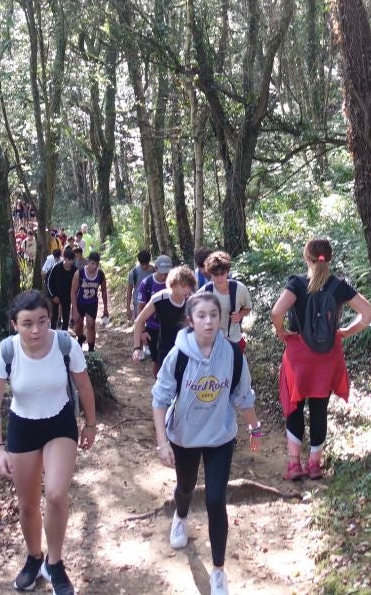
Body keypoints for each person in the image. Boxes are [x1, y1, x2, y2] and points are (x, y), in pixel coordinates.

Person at [0, 291, 97, 595]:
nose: (36, 330)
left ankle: (55, 562)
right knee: (28, 504)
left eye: (42, 321)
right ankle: (34, 557)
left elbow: (84, 385)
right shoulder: (6, 352)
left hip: (59, 423)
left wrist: (90, 424)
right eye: (27, 323)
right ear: (14, 325)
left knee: (57, 495)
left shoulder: (64, 344)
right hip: (23, 427)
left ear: (50, 319)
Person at [152, 292, 262, 595]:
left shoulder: (233, 355)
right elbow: (160, 399)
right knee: (185, 488)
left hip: (219, 436)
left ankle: (218, 571)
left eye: (214, 315)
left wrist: (255, 428)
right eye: (201, 316)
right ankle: (181, 516)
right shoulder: (179, 355)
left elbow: (243, 396)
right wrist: (162, 443)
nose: (209, 321)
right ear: (190, 320)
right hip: (184, 437)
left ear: (222, 318)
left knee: (215, 501)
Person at [270, 237, 371, 481]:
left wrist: (281, 332)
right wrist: (347, 331)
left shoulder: (296, 283)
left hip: (298, 355)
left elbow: (276, 312)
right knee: (319, 409)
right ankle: (314, 465)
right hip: (328, 357)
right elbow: (368, 314)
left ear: (306, 257)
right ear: (329, 258)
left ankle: (294, 465)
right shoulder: (339, 286)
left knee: (294, 407)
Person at [132, 265, 193, 372]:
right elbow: (139, 320)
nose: (187, 290)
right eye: (183, 286)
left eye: (189, 287)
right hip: (165, 349)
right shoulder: (159, 298)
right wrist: (137, 348)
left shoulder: (192, 300)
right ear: (173, 285)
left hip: (186, 349)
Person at [198, 251, 252, 352]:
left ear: (227, 271)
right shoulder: (204, 292)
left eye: (222, 274)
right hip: (212, 343)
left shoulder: (239, 289)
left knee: (237, 367)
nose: (219, 278)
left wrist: (240, 315)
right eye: (215, 275)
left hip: (234, 339)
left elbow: (248, 307)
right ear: (210, 274)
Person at [134, 255, 172, 368]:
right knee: (156, 360)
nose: (165, 276)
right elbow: (140, 308)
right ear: (155, 268)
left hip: (169, 326)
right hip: (152, 327)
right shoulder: (147, 283)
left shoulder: (174, 283)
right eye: (162, 273)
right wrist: (143, 330)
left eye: (167, 273)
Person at [71, 251, 109, 352]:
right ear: (88, 262)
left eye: (97, 264)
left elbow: (104, 291)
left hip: (92, 303)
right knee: (78, 324)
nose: (95, 266)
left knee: (91, 324)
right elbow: (73, 292)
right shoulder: (79, 273)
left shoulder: (100, 274)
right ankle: (80, 337)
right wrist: (74, 310)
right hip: (79, 302)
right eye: (93, 263)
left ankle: (91, 350)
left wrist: (105, 308)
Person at [45, 247, 79, 331]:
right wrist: (53, 296)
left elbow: (77, 285)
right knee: (54, 315)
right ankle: (52, 331)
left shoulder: (75, 270)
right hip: (55, 296)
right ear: (64, 258)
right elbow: (49, 282)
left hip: (67, 297)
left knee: (66, 315)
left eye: (72, 260)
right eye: (69, 260)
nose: (71, 262)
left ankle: (64, 333)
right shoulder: (56, 268)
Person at [126, 250, 154, 321]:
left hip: (152, 304)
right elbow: (129, 290)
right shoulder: (134, 273)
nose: (144, 266)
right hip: (138, 304)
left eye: (146, 264)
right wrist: (128, 308)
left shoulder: (154, 271)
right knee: (139, 324)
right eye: (142, 264)